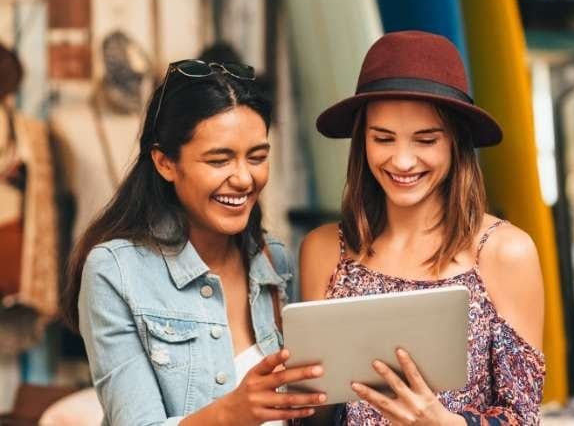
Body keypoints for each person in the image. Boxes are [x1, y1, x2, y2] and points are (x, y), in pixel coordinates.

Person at [60, 59, 326, 425]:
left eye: (258, 157)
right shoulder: (115, 271)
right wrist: (232, 413)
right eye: (219, 160)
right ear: (165, 163)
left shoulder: (273, 259)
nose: (244, 179)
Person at [300, 30, 545, 425]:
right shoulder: (325, 248)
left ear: (455, 143)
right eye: (383, 138)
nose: (402, 160)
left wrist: (444, 423)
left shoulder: (504, 252)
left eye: (425, 140)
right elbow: (312, 414)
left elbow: (522, 416)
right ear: (362, 142)